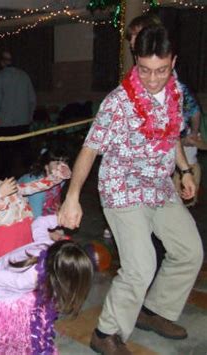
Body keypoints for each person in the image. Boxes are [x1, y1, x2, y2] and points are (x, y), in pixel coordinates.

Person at [58, 25, 203, 355]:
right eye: (145, 70)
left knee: (190, 250)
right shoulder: (118, 103)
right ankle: (105, 332)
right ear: (136, 62)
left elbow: (171, 137)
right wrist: (72, 196)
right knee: (141, 265)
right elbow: (90, 148)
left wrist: (183, 171)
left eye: (161, 70)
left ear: (173, 62)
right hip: (123, 188)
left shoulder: (175, 92)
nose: (153, 79)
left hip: (160, 186)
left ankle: (154, 311)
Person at [0, 216, 93, 355]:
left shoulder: (48, 247)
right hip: (1, 296)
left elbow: (38, 223)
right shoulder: (27, 279)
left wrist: (61, 219)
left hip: (14, 284)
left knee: (32, 315)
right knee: (0, 334)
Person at [0, 50, 36, 177]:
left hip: (6, 124)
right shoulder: (24, 76)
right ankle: (31, 177)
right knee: (25, 153)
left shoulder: (0, 76)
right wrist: (29, 115)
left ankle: (5, 182)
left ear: (2, 62)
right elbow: (32, 99)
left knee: (5, 157)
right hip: (23, 122)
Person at [173, 83, 203, 206]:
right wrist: (186, 140)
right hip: (178, 169)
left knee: (189, 198)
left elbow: (202, 145)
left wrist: (194, 139)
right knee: (176, 198)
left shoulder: (192, 131)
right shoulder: (180, 131)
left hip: (192, 168)